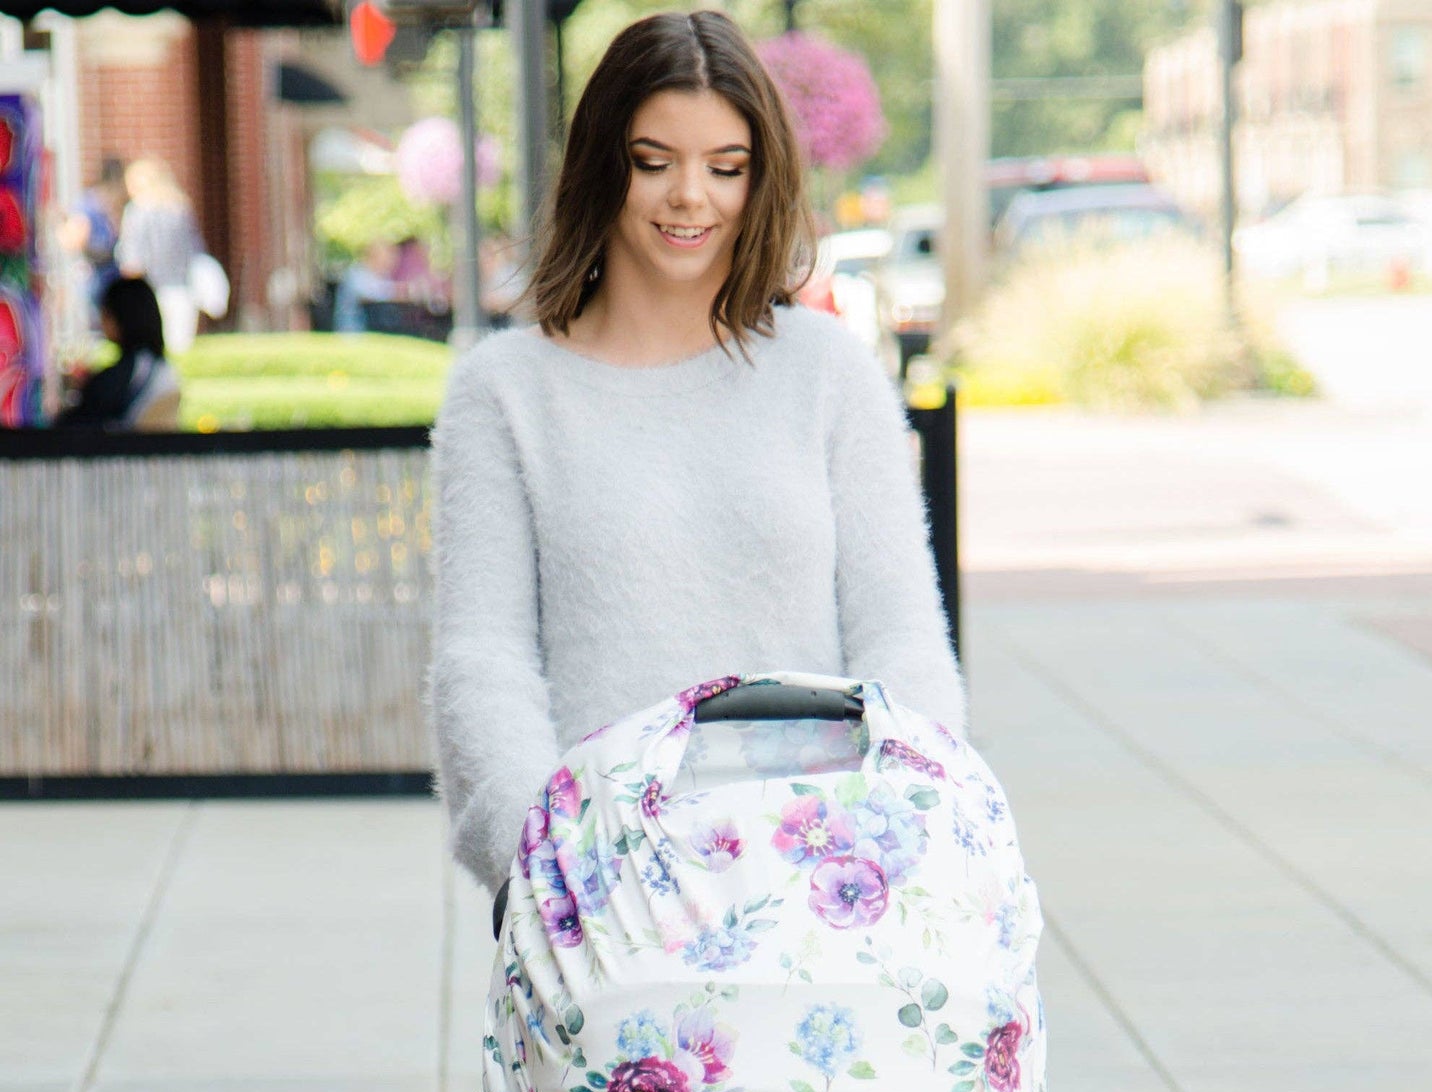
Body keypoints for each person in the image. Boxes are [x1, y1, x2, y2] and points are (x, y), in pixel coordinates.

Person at [429, 9, 964, 897]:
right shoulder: (505, 390)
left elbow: (901, 633)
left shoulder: (826, 372)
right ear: (602, 164)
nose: (691, 196)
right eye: (653, 163)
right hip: (599, 899)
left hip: (821, 891)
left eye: (727, 168)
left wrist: (900, 827)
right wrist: (545, 862)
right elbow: (482, 660)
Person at [55, 276, 180, 431]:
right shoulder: (160, 367)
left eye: (106, 314)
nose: (102, 321)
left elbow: (82, 416)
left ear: (122, 317)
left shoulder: (133, 370)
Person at [116, 158, 204, 353]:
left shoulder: (137, 212)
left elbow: (131, 259)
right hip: (181, 286)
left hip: (151, 289)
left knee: (154, 347)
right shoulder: (180, 209)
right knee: (181, 348)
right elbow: (195, 249)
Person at [57, 156, 128, 316]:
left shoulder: (111, 205)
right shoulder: (90, 204)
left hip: (111, 276)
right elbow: (73, 239)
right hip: (93, 276)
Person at [332, 239, 400, 332]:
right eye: (386, 258)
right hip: (353, 331)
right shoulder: (357, 274)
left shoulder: (380, 276)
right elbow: (372, 296)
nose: (390, 263)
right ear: (374, 256)